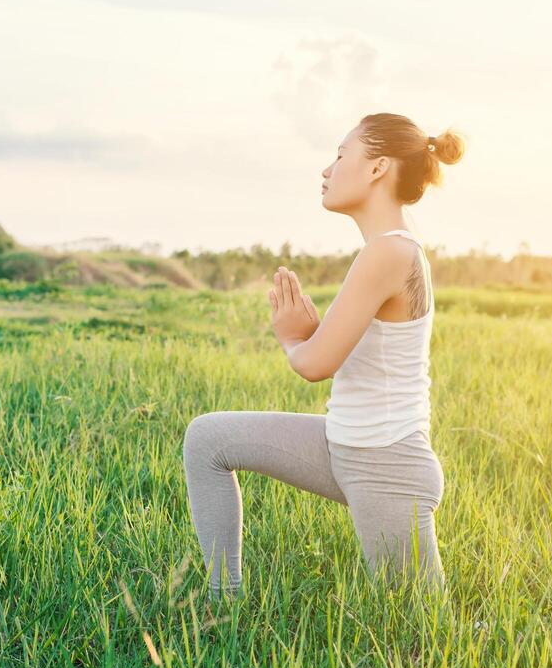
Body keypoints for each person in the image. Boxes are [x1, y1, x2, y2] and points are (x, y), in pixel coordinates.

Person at [182, 112, 465, 599]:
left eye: (339, 155)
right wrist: (313, 334)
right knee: (208, 439)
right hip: (343, 447)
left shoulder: (389, 252)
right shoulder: (385, 249)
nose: (327, 170)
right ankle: (221, 602)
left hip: (385, 465)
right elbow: (356, 355)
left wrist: (294, 338)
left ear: (377, 168)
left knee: (421, 630)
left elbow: (313, 365)